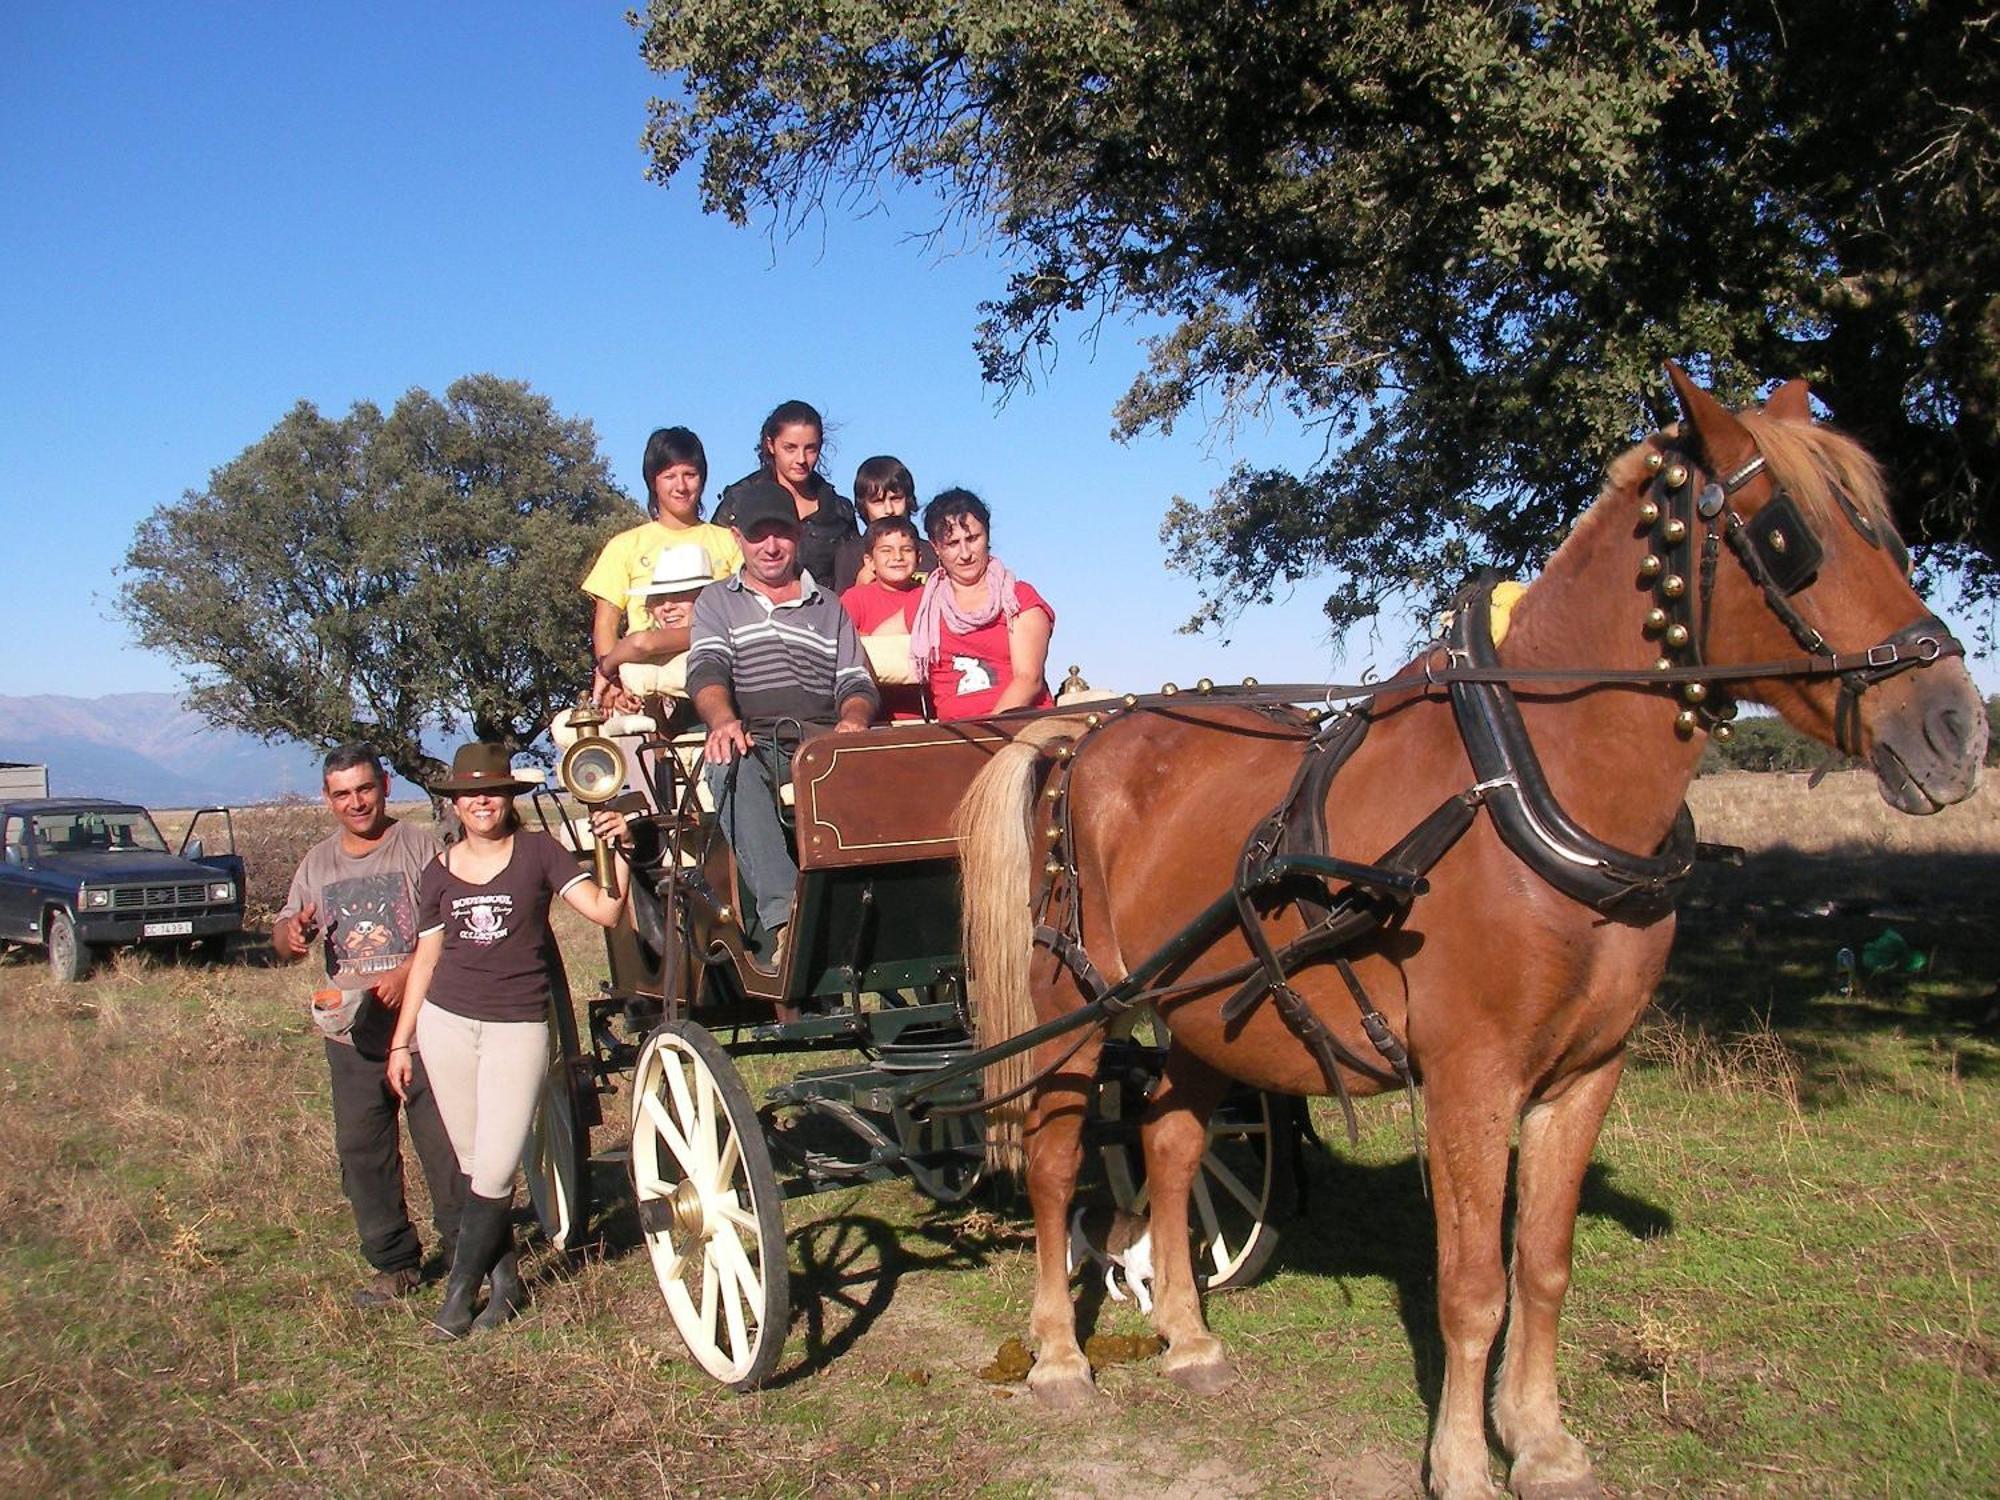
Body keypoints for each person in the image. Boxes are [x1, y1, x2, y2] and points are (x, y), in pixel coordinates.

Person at [385, 743, 632, 1340]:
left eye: (491, 792)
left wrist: (618, 851)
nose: (481, 802)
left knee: (495, 1170)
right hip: (445, 1024)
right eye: (470, 793)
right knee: (474, 1164)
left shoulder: (539, 854)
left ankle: (456, 1296)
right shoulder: (439, 872)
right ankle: (507, 1281)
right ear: (454, 804)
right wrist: (401, 1040)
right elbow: (427, 958)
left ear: (508, 799)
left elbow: (604, 912)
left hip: (518, 1024)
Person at [272, 744, 465, 1308]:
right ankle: (395, 1264)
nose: (356, 803)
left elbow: (451, 922)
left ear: (384, 785)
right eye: (342, 794)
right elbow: (285, 934)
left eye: (364, 789)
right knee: (363, 1151)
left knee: (444, 1147)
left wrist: (409, 971)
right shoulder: (318, 862)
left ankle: (463, 1255)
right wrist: (293, 935)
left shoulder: (418, 846)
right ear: (327, 799)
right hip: (351, 1033)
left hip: (425, 1025)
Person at [687, 479, 878, 965]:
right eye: (758, 535)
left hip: (824, 742)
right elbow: (706, 670)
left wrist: (853, 723)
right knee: (728, 763)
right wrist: (724, 721)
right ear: (737, 537)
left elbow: (856, 683)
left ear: (797, 534)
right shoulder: (717, 602)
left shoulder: (829, 606)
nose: (771, 546)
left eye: (781, 533)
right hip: (759, 741)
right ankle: (786, 917)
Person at [582, 426, 741, 711]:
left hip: (715, 678)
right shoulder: (624, 546)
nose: (681, 486)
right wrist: (616, 681)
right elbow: (606, 624)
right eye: (669, 476)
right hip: (641, 688)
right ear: (653, 482)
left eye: (689, 475)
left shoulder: (729, 542)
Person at [912, 488, 1056, 719]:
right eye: (952, 543)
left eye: (972, 539)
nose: (965, 553)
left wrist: (986, 733)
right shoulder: (923, 607)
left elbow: (1029, 680)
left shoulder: (1019, 598)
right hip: (952, 739)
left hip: (1020, 726)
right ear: (935, 547)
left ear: (987, 536)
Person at [713, 400, 858, 587]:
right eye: (790, 448)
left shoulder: (840, 512)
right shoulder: (740, 501)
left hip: (820, 611)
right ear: (771, 445)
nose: (801, 459)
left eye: (810, 449)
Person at [840, 516, 928, 722]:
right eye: (886, 550)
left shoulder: (930, 597)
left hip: (925, 714)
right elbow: (841, 639)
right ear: (869, 561)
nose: (897, 557)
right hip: (873, 717)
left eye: (906, 550)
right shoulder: (856, 598)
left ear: (919, 557)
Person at [832, 455, 939, 592]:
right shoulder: (849, 553)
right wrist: (860, 586)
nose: (889, 510)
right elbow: (840, 609)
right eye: (878, 501)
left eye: (896, 499)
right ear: (864, 506)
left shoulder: (930, 553)